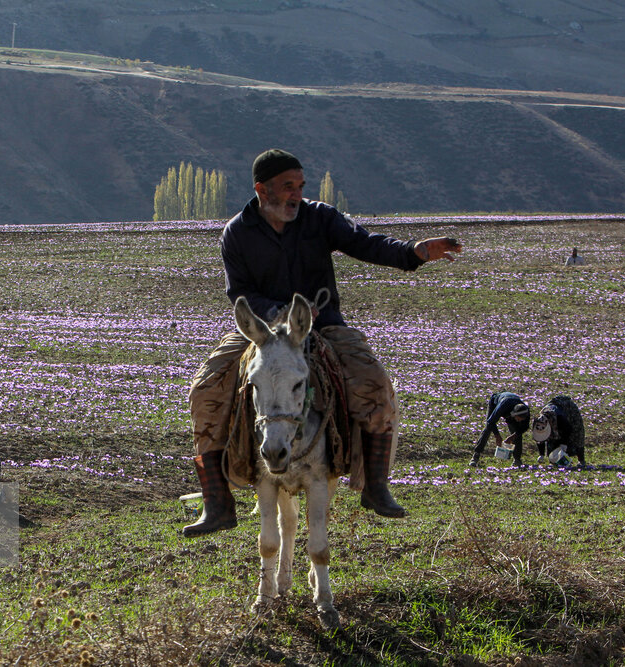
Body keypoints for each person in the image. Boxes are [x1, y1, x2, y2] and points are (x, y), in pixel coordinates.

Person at [184, 148, 462, 537]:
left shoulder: (320, 218)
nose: (296, 195)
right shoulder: (237, 232)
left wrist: (413, 252)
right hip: (263, 330)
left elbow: (366, 244)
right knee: (205, 390)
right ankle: (217, 502)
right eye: (287, 187)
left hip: (323, 325)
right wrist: (278, 312)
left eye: (299, 186)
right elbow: (240, 292)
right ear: (262, 190)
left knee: (374, 383)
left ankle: (376, 487)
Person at [469, 392, 530, 467]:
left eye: (521, 420)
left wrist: (513, 436)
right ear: (514, 414)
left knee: (517, 433)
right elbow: (491, 422)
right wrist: (497, 436)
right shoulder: (503, 406)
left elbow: (524, 427)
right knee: (488, 429)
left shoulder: (526, 412)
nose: (519, 421)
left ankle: (517, 460)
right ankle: (476, 456)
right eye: (518, 419)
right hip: (496, 403)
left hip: (511, 407)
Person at [531, 395, 586, 466]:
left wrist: (564, 444)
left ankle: (581, 460)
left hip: (568, 410)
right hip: (557, 420)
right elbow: (540, 438)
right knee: (552, 441)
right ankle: (555, 461)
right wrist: (541, 454)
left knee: (577, 434)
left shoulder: (559, 419)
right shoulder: (539, 423)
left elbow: (568, 429)